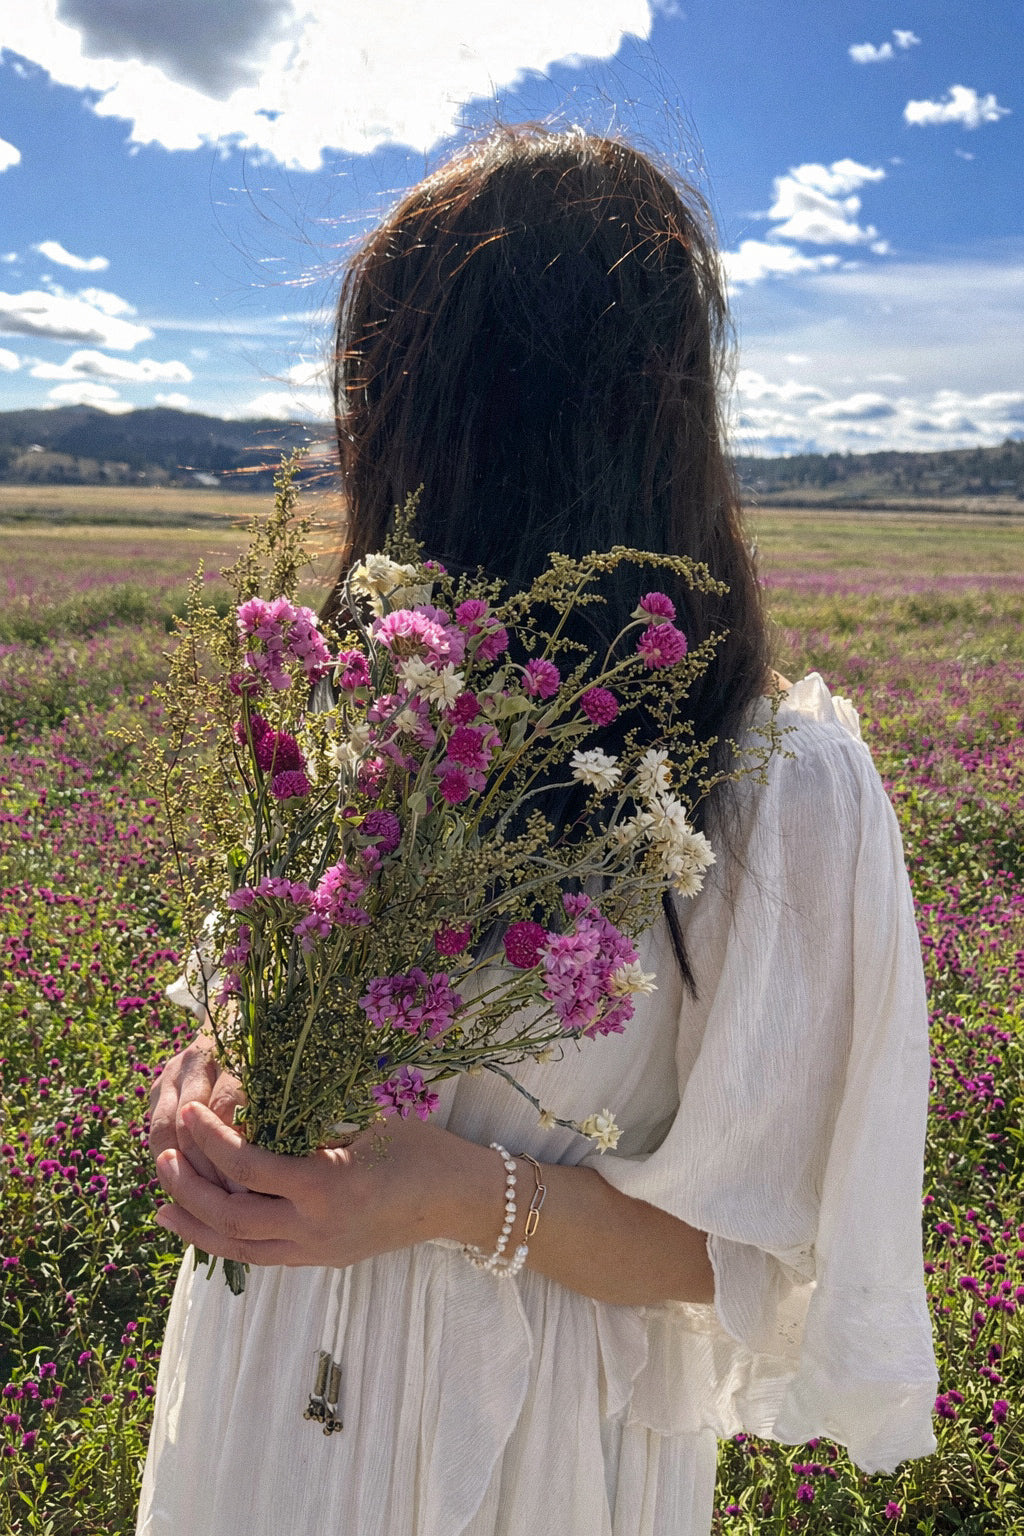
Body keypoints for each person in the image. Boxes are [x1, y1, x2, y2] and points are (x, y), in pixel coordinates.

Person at [138, 125, 938, 1536]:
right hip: (270, 1375)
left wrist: (461, 1194)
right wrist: (206, 1088)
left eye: (387, 395)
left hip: (523, 1449)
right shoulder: (378, 697)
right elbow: (260, 983)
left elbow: (752, 1252)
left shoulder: (775, 789)